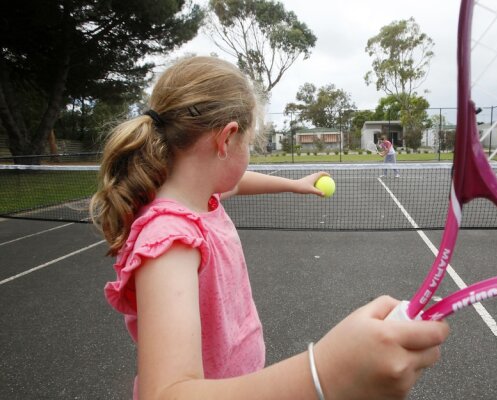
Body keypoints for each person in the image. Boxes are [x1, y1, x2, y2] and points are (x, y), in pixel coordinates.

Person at [91, 56, 449, 400]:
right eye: (249, 142)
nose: (249, 152)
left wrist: (294, 184)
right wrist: (324, 374)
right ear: (227, 139)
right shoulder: (170, 240)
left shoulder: (201, 195)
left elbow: (238, 180)